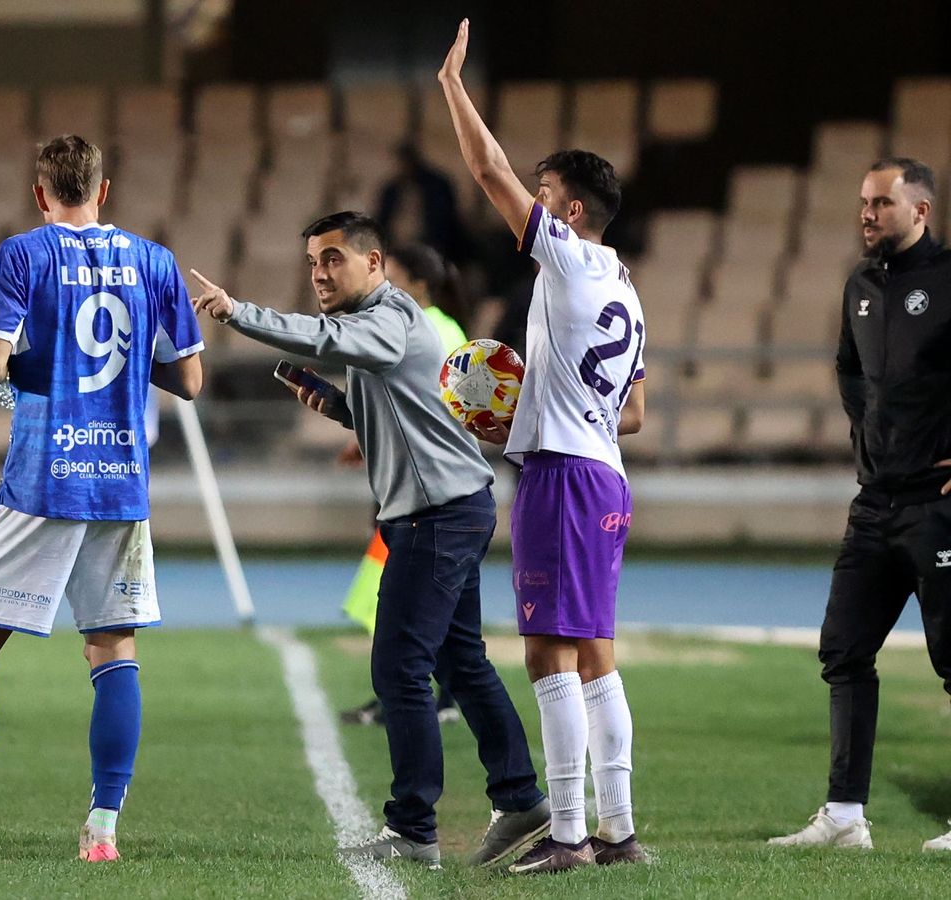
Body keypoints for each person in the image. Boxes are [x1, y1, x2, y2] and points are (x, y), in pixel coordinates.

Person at [191, 211, 549, 869]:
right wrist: (336, 404)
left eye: (332, 259)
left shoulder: (384, 319)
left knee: (399, 668)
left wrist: (235, 311)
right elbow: (400, 406)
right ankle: (520, 796)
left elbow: (321, 335)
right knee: (459, 662)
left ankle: (414, 830)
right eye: (312, 264)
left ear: (374, 263)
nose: (319, 274)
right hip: (452, 506)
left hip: (435, 516)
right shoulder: (390, 324)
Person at [0, 136, 204, 863]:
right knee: (111, 647)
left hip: (42, 477)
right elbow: (188, 382)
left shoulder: (23, 255)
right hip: (122, 481)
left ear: (40, 194)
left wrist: (43, 371)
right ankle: (102, 834)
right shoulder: (155, 262)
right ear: (106, 189)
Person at [438, 19, 649, 874]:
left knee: (545, 654)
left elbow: (485, 168)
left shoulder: (565, 257)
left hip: (562, 479)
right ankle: (619, 831)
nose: (528, 195)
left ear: (567, 211)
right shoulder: (628, 288)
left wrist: (452, 86)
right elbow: (634, 412)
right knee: (596, 653)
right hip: (605, 471)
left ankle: (566, 835)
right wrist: (538, 401)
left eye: (543, 189)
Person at [768, 158, 951, 853]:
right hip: (876, 502)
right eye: (863, 202)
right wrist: (868, 435)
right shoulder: (861, 285)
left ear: (921, 210)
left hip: (937, 506)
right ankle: (845, 817)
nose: (867, 214)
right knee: (843, 651)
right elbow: (850, 369)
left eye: (881, 202)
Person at [341, 241, 468, 728]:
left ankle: (405, 695)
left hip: (419, 487)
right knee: (435, 601)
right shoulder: (448, 328)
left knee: (397, 598)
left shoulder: (420, 327)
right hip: (422, 479)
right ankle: (439, 694)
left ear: (416, 281)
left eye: (391, 272)